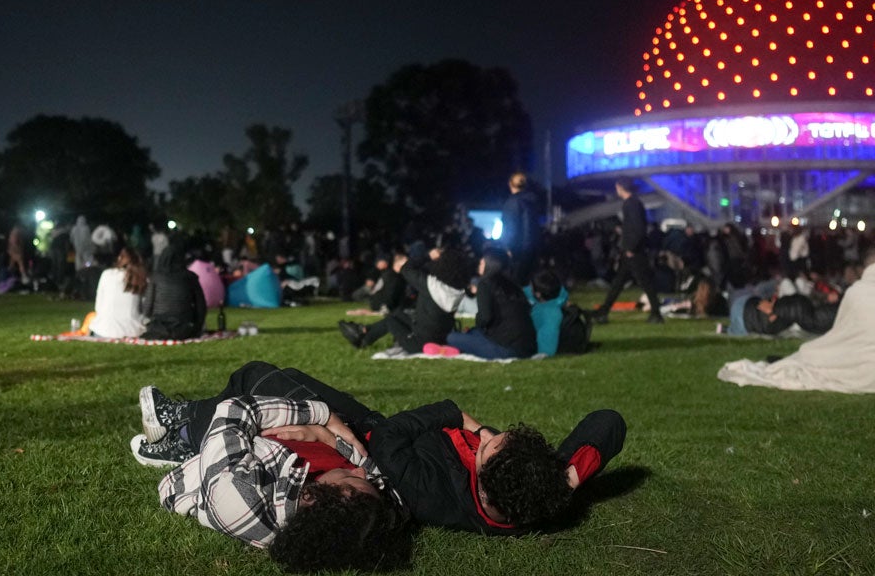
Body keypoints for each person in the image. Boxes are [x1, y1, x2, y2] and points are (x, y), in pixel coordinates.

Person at [133, 362, 626, 538]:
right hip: (367, 444)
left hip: (369, 435)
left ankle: (182, 433)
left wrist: (459, 417)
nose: (488, 434)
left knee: (255, 378)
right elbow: (609, 423)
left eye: (490, 445)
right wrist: (567, 476)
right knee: (273, 386)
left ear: (483, 476)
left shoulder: (426, 489)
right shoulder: (539, 491)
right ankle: (192, 436)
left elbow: (389, 439)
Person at [130, 364, 412, 572]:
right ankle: (185, 430)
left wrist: (322, 416)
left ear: (314, 497)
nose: (361, 473)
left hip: (242, 444)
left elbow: (235, 411)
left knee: (251, 378)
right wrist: (324, 435)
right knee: (289, 378)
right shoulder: (361, 516)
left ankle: (183, 433)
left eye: (351, 481)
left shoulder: (241, 497)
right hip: (308, 441)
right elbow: (375, 473)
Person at [338, 248, 473, 353]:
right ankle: (363, 334)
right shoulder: (457, 291)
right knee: (398, 314)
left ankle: (361, 336)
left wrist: (428, 256)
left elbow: (406, 269)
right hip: (440, 339)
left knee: (391, 320)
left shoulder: (432, 286)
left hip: (419, 343)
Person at [592, 178, 663, 324]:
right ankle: (604, 311)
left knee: (642, 282)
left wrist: (631, 247)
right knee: (621, 282)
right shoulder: (633, 203)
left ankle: (656, 313)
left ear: (620, 187)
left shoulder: (632, 204)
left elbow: (638, 228)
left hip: (633, 251)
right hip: (631, 250)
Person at [447, 249, 537, 359]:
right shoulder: (513, 285)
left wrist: (477, 322)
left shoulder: (485, 284)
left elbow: (485, 317)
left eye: (483, 261)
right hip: (527, 348)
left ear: (490, 264)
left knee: (449, 337)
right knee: (473, 332)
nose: (480, 263)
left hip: (505, 349)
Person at [142, 242, 208, 340]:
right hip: (184, 329)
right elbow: (201, 306)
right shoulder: (190, 277)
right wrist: (197, 327)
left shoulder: (156, 277)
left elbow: (147, 309)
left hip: (159, 328)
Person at [88, 247, 148, 339]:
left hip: (103, 330)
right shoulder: (142, 279)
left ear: (120, 258)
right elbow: (145, 309)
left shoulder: (107, 274)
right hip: (132, 331)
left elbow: (98, 307)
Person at [500, 172, 540, 286]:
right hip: (532, 248)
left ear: (510, 184)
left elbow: (510, 227)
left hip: (517, 249)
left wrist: (507, 246)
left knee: (515, 283)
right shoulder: (533, 201)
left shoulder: (512, 202)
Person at [525, 270, 567, 356]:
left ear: (538, 294)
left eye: (531, 286)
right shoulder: (559, 297)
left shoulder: (548, 314)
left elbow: (546, 349)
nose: (529, 288)